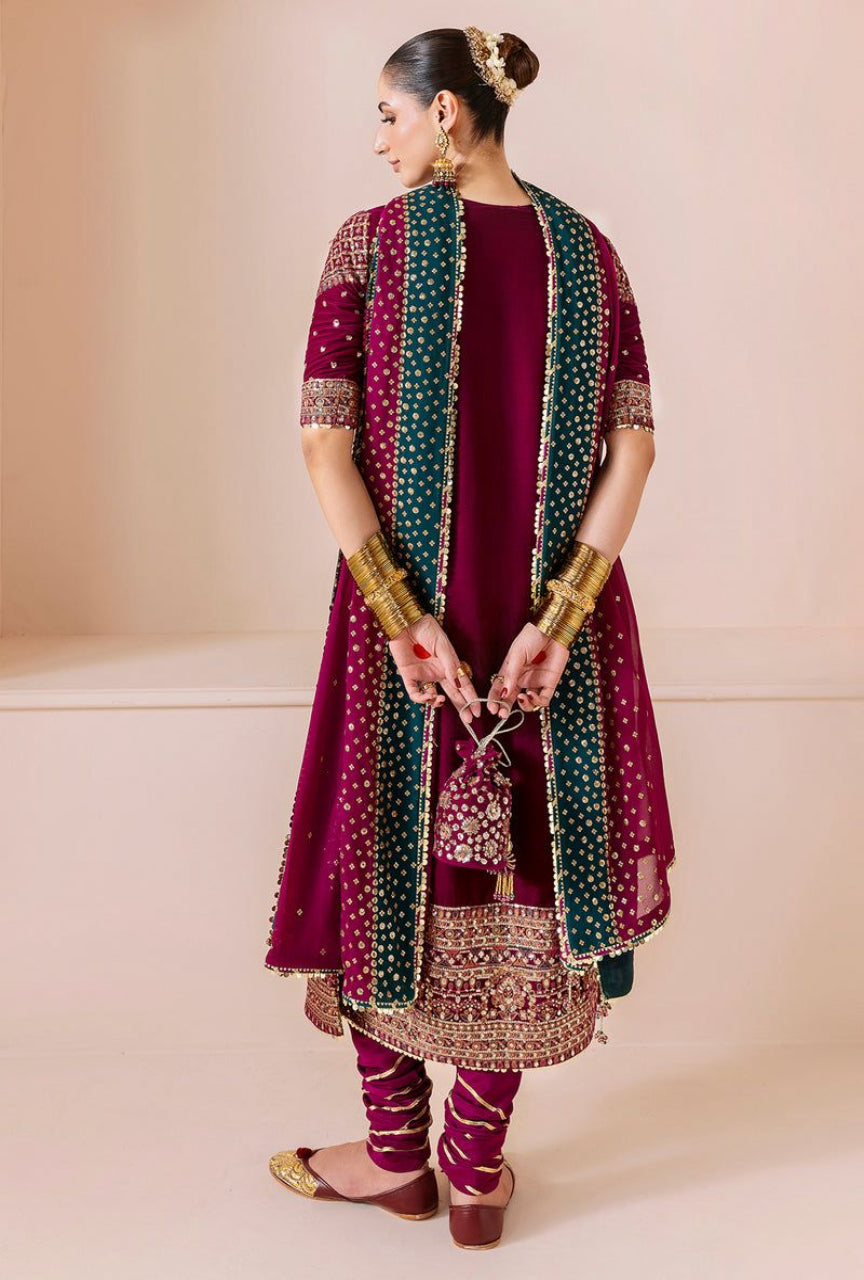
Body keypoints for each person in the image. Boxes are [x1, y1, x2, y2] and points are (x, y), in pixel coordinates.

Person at [264, 26, 676, 1249]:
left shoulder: (370, 246)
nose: (377, 138)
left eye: (388, 115)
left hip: (412, 624)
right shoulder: (589, 256)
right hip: (549, 631)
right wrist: (560, 614)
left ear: (447, 114)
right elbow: (638, 444)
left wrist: (400, 613)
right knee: (523, 868)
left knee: (383, 844)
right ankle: (477, 1170)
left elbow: (321, 440)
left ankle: (395, 1156)